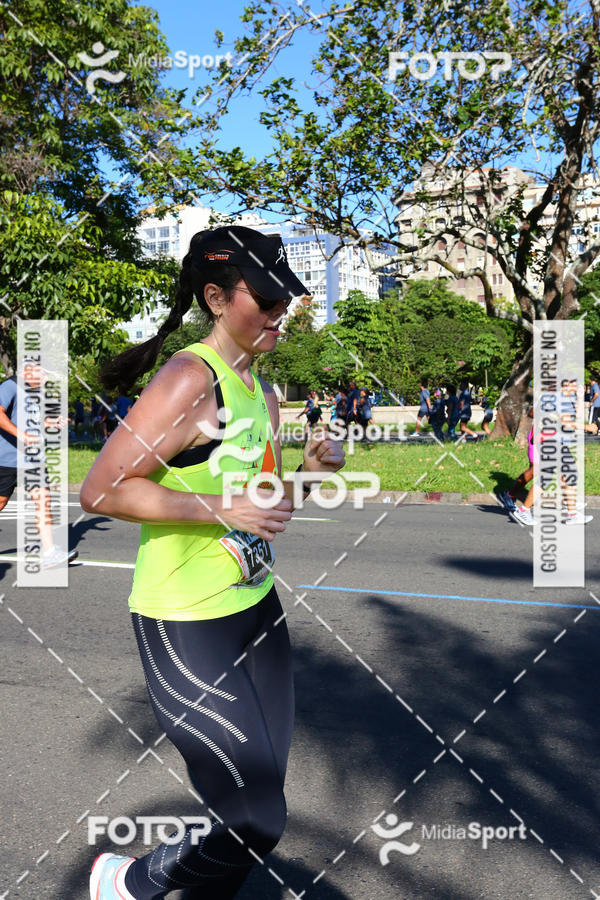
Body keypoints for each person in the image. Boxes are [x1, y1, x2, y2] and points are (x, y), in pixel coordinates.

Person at [81, 225, 345, 900]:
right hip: (184, 622)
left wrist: (310, 473)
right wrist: (217, 509)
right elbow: (103, 488)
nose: (281, 309)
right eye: (266, 296)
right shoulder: (190, 378)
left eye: (286, 295)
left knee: (252, 809)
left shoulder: (264, 391)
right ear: (217, 297)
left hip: (256, 613)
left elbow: (264, 503)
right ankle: (131, 881)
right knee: (255, 814)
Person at [0, 365, 77, 567]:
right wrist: (22, 435)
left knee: (43, 501)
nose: (45, 379)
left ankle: (50, 552)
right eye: (43, 374)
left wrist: (50, 423)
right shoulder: (10, 386)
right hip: (7, 459)